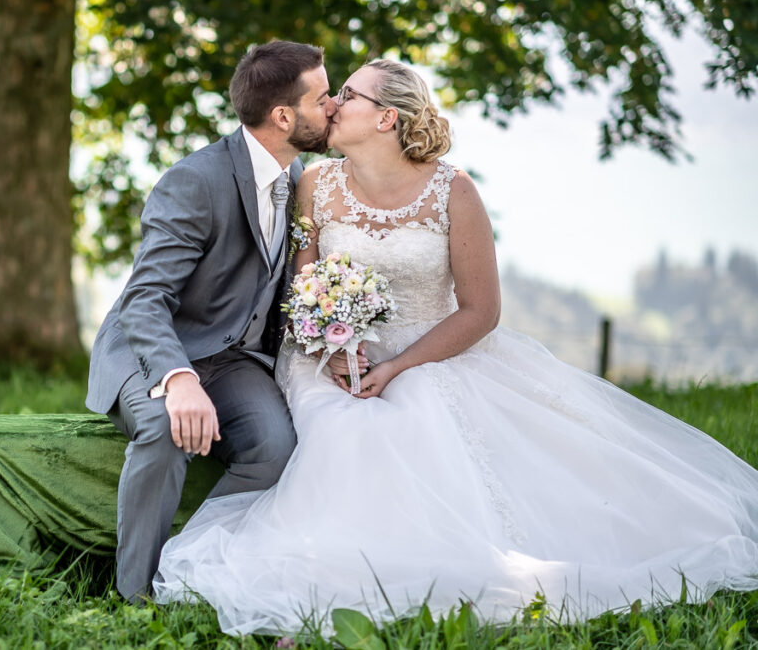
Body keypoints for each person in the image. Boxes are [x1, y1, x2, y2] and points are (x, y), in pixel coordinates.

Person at [152, 59, 758, 635]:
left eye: (348, 95)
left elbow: (481, 311)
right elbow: (302, 288)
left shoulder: (453, 190)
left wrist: (398, 365)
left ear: (386, 117)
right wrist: (328, 346)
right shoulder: (314, 183)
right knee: (342, 428)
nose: (332, 104)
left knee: (424, 412)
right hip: (330, 361)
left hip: (432, 351)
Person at [85, 40, 337, 602]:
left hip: (231, 359)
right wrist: (176, 379)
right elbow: (145, 299)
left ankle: (193, 571)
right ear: (283, 116)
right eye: (323, 98)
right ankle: (133, 597)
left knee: (275, 447)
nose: (335, 106)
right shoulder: (196, 180)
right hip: (153, 348)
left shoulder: (299, 180)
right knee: (163, 427)